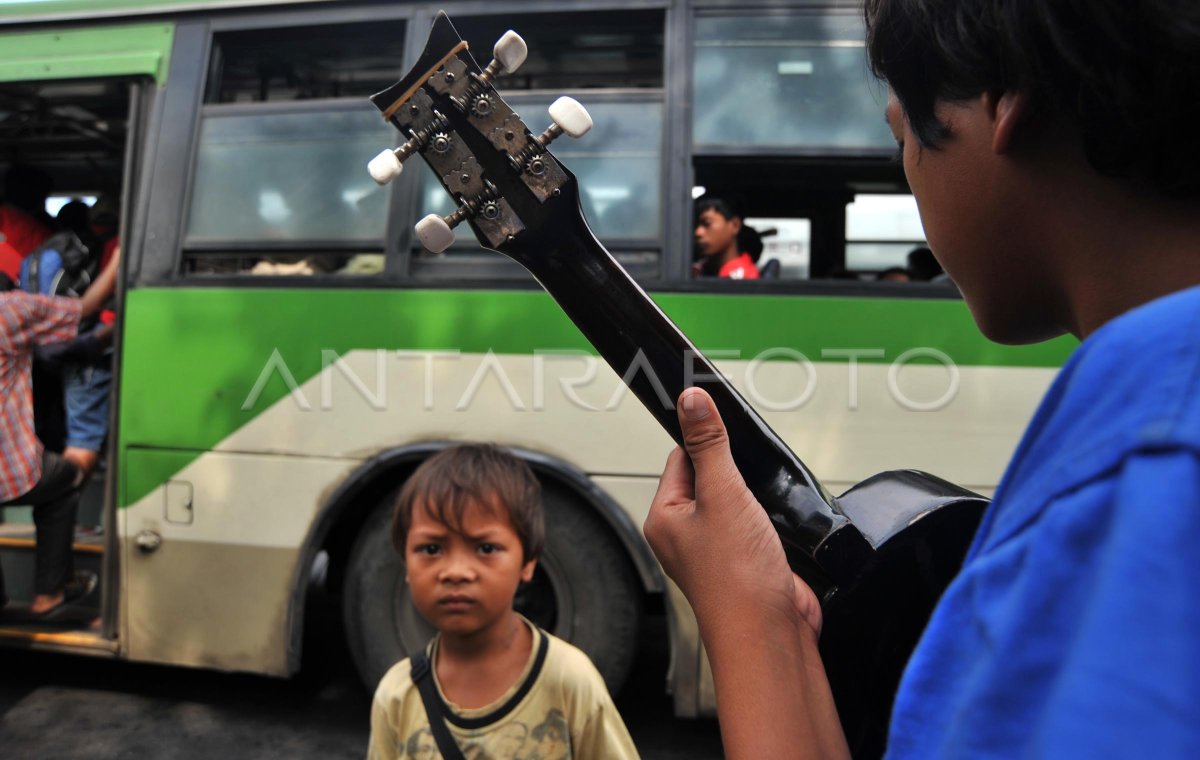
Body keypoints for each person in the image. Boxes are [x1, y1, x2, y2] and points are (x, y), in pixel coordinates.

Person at [644, 0, 1200, 758]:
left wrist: (741, 626)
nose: (909, 173)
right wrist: (767, 618)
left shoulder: (1144, 478)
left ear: (1003, 107)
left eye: (903, 135)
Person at [367, 444, 639, 760]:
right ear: (406, 566)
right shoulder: (397, 695)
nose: (456, 572)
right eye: (431, 549)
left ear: (528, 561)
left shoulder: (568, 680)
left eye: (485, 548)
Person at [0, 252, 118, 616]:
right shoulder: (11, 310)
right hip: (8, 474)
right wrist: (118, 256)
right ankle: (49, 593)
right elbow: (88, 306)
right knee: (63, 481)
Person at [692, 198, 760, 279]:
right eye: (696, 225)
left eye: (707, 223)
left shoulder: (744, 277)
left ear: (735, 225)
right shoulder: (697, 270)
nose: (698, 232)